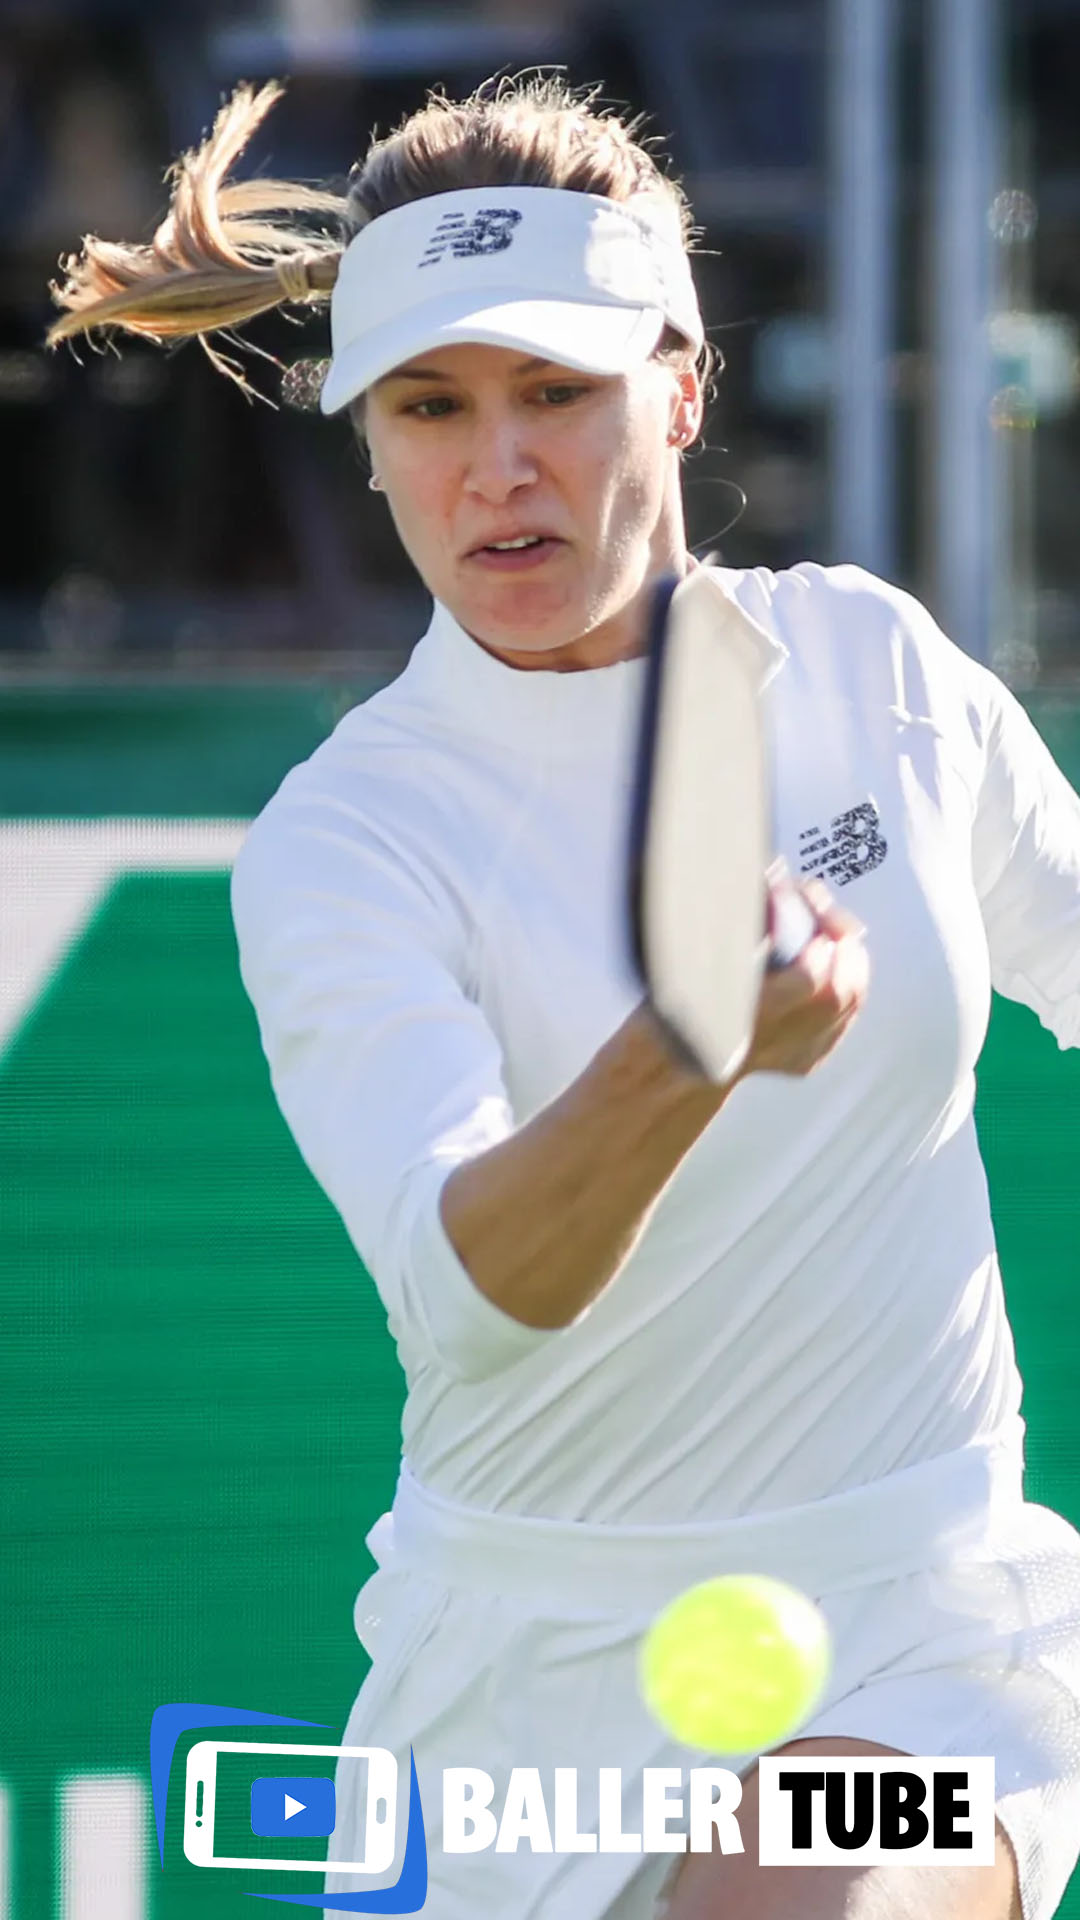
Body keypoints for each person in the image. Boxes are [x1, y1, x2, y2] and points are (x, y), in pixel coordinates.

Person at [48, 71, 1080, 1920]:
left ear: (680, 387)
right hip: (521, 1713)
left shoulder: (884, 674)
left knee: (811, 1886)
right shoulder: (347, 843)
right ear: (366, 440)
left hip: (921, 1653)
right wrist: (682, 1054)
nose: (494, 469)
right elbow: (476, 1298)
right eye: (430, 408)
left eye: (557, 392)